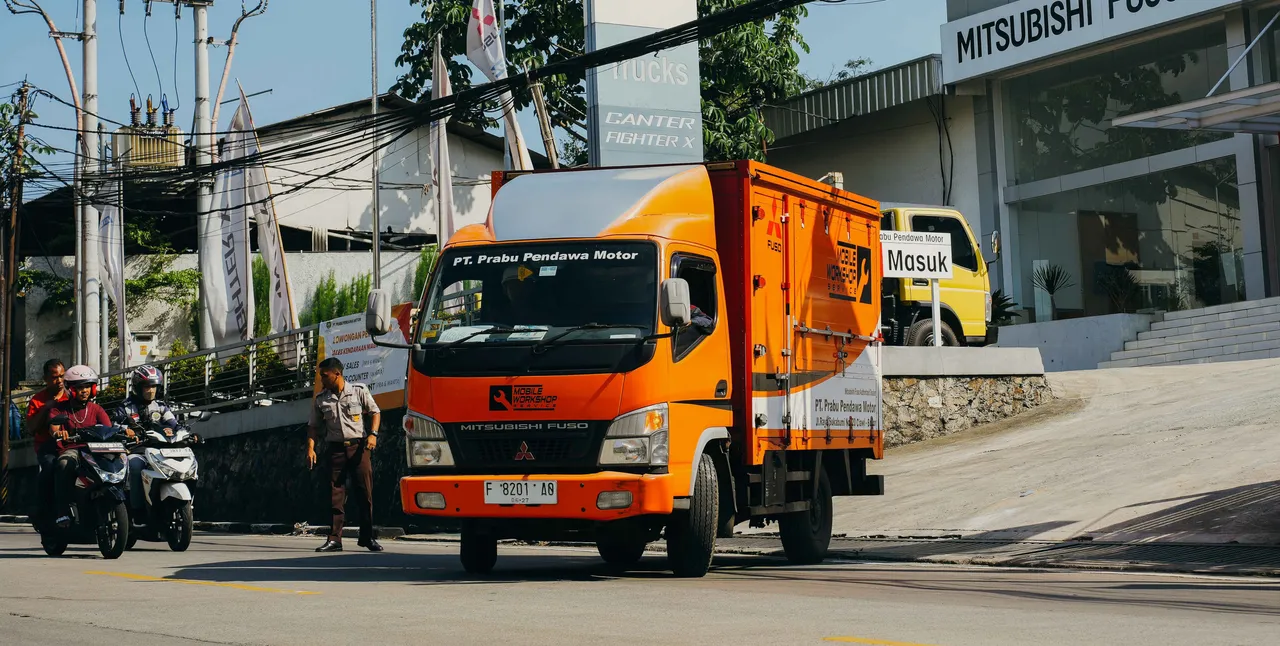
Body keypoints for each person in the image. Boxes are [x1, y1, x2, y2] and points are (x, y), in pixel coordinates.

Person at [306, 357, 382, 553]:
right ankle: (334, 539)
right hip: (336, 450)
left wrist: (373, 435)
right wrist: (310, 448)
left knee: (364, 493)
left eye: (325, 376)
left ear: (337, 374)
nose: (322, 380)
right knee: (335, 494)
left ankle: (367, 537)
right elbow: (313, 426)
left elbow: (375, 412)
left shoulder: (358, 390)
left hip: (358, 448)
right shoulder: (321, 399)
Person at [46, 365, 131, 528]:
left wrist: (122, 437)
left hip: (97, 450)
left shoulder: (97, 409)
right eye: (79, 387)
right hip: (73, 450)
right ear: (70, 389)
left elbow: (108, 429)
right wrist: (59, 433)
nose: (84, 390)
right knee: (64, 464)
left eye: (87, 386)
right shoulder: (60, 409)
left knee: (123, 460)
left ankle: (129, 510)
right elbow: (53, 428)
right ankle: (62, 512)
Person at [112, 365, 180, 523]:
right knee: (135, 467)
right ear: (137, 387)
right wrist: (126, 430)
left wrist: (174, 430)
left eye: (154, 386)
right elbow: (114, 426)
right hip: (137, 451)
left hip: (161, 452)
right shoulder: (125, 407)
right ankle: (137, 511)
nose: (151, 390)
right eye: (147, 386)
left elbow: (174, 424)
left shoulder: (161, 407)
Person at [27, 359, 67, 524]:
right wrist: (47, 407)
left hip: (72, 445)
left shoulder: (71, 395)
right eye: (55, 377)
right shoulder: (37, 400)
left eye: (62, 376)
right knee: (50, 468)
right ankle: (43, 509)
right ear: (46, 379)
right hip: (47, 447)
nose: (59, 381)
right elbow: (31, 428)